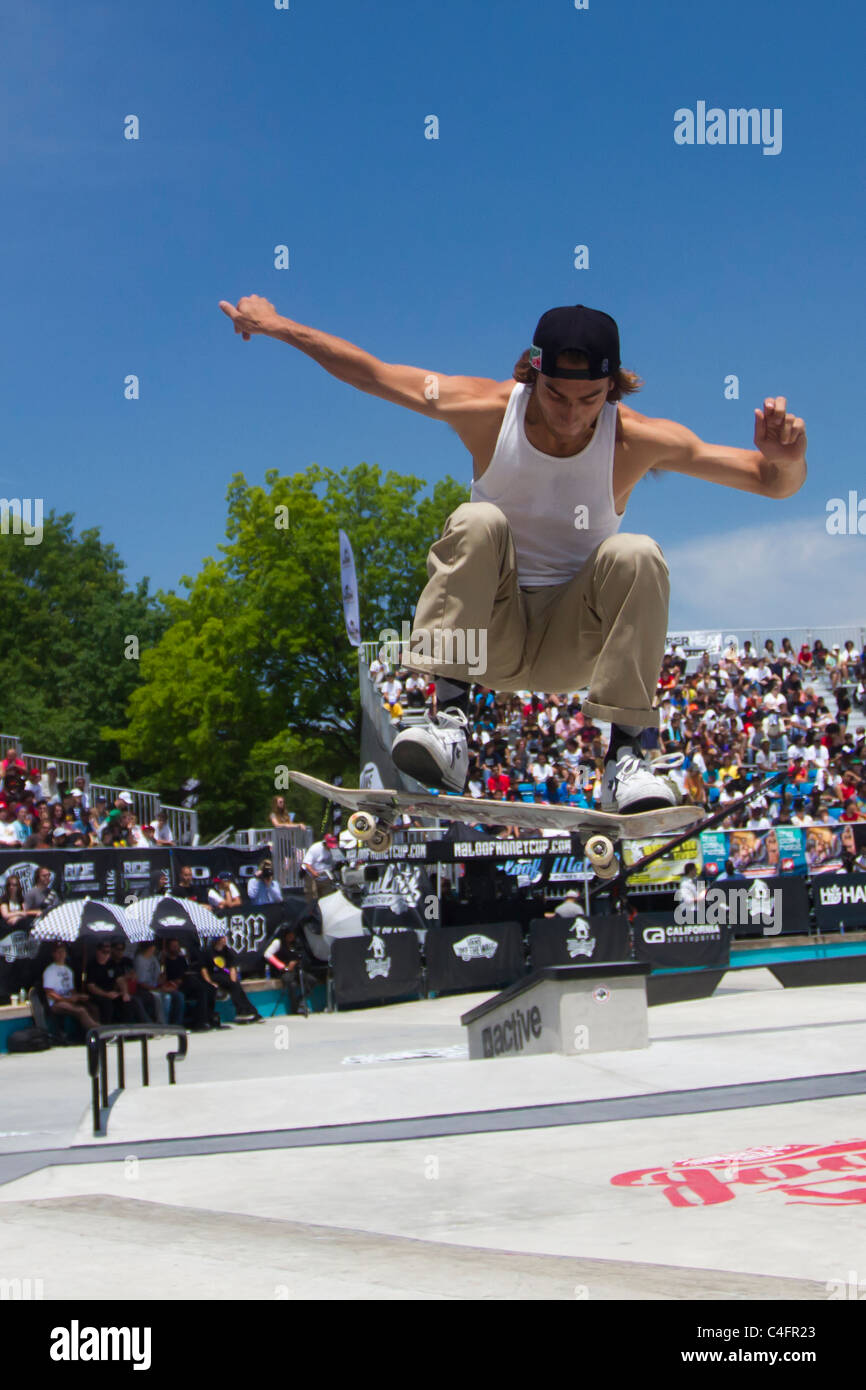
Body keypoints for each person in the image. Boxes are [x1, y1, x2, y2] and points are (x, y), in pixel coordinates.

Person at [221, 297, 807, 809]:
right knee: (477, 520)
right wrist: (277, 325)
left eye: (590, 400)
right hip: (484, 642)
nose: (572, 416)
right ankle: (449, 720)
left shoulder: (636, 438)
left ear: (613, 388)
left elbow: (770, 482)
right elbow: (372, 373)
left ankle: (626, 758)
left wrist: (785, 459)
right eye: (556, 395)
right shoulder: (485, 410)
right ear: (532, 373)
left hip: (573, 645)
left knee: (638, 553)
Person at [202, 933, 262, 1022]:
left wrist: (233, 980)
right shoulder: (208, 951)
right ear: (218, 940)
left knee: (236, 985)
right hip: (213, 976)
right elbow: (204, 970)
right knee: (231, 984)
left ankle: (249, 1011)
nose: (225, 939)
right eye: (223, 938)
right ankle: (243, 1011)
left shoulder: (226, 951)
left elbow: (232, 967)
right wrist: (209, 982)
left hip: (224, 975)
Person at [42, 942, 100, 1035]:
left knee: (93, 1007)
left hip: (69, 1000)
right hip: (56, 1003)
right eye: (58, 952)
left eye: (63, 951)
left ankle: (89, 1033)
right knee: (81, 1011)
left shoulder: (69, 970)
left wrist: (79, 996)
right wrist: (68, 999)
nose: (61, 954)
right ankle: (98, 1032)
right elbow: (50, 993)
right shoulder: (49, 971)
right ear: (53, 954)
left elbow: (71, 990)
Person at [133, 942, 186, 1025]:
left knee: (179, 995)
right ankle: (163, 1024)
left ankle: (177, 1024)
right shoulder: (139, 960)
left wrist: (163, 977)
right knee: (166, 998)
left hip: (157, 986)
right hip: (146, 989)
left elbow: (158, 979)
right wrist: (157, 989)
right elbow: (140, 982)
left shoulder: (153, 958)